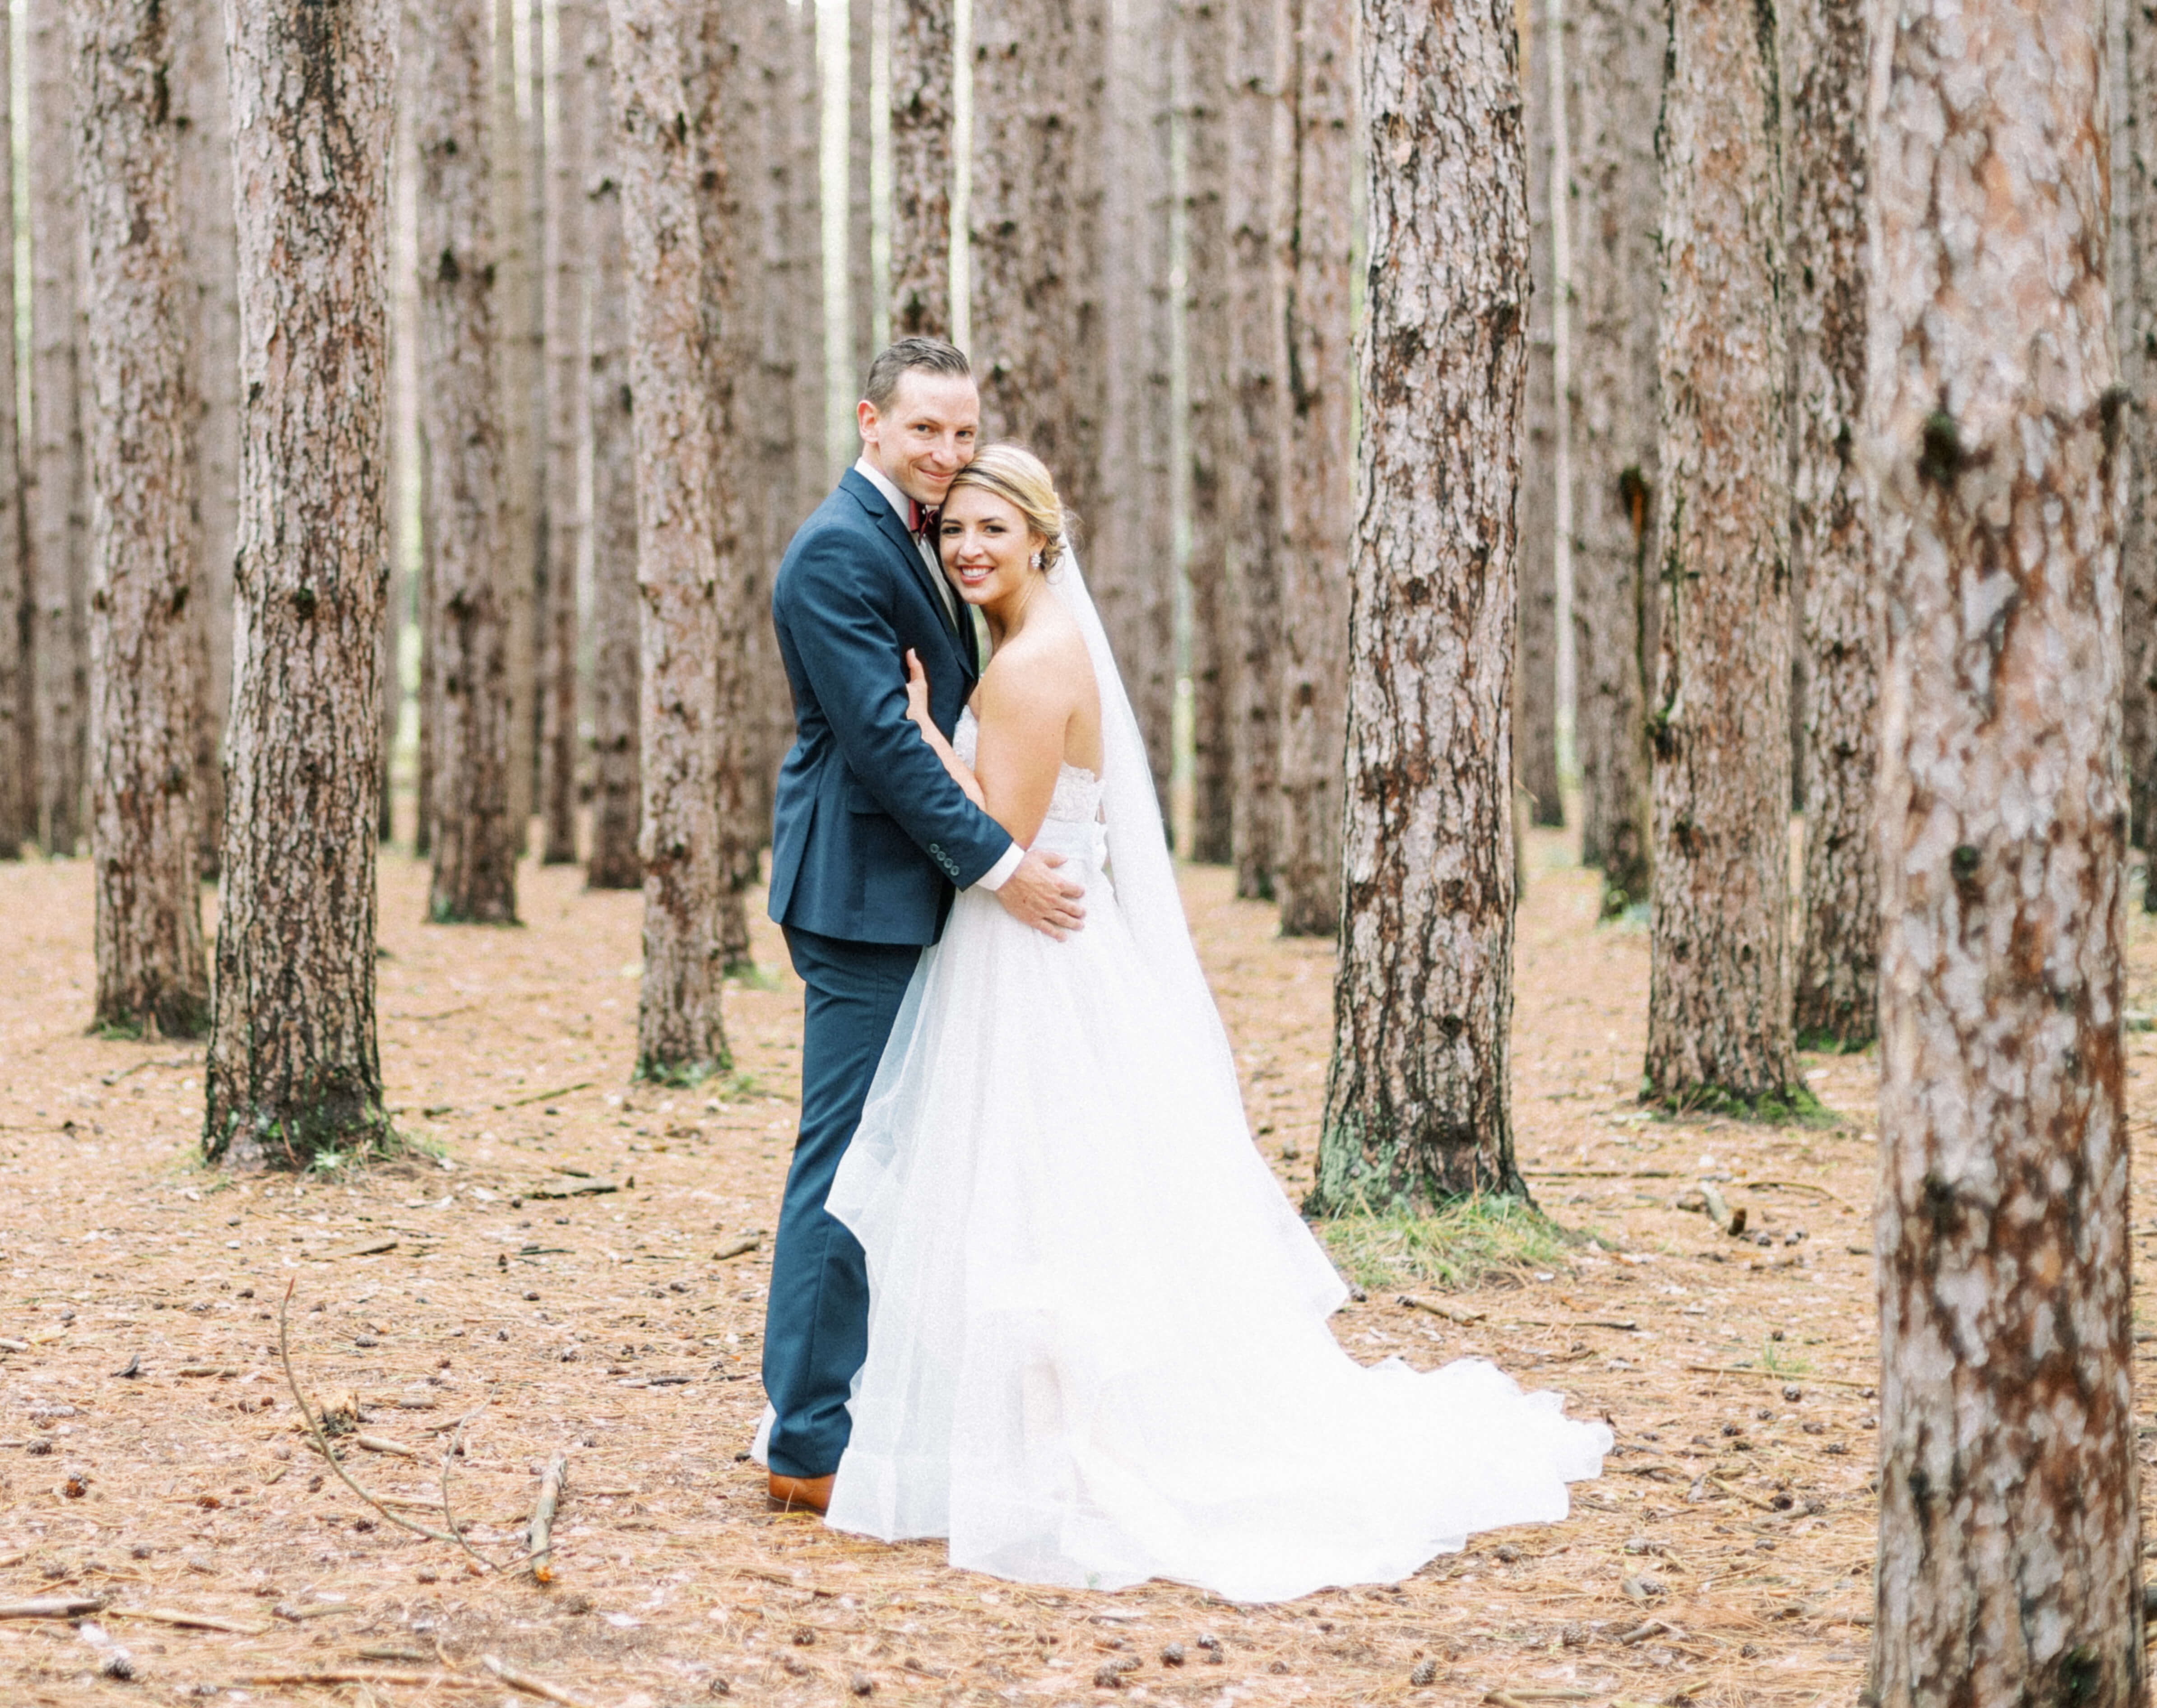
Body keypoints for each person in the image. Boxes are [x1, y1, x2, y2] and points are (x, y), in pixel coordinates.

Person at [819, 445, 1611, 1601]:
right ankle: (1041, 1445)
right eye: (953, 533)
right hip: (1038, 945)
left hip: (1032, 957)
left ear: (1044, 537)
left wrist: (919, 727)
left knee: (1041, 1205)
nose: (969, 548)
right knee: (1047, 1200)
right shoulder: (1036, 646)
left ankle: (1064, 1459)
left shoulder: (1034, 667)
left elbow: (994, 827)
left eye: (993, 528)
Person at [760, 341, 1086, 1516]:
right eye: (925, 433)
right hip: (859, 895)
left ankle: (904, 1409)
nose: (947, 456)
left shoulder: (928, 536)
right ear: (869, 423)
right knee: (848, 1162)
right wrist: (1002, 867)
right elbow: (884, 742)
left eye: (963, 432)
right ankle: (805, 1441)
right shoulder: (837, 552)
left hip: (916, 890)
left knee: (917, 1156)